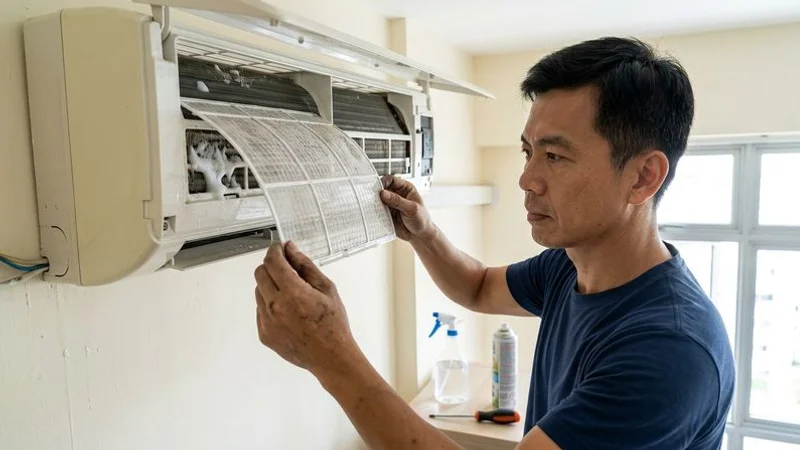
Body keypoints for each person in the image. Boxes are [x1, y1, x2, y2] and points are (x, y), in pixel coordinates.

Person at [253, 36, 735, 449]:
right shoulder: (569, 267)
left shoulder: (669, 352)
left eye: (554, 156)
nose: (527, 179)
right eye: (528, 152)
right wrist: (423, 231)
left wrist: (331, 354)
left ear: (642, 177)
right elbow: (479, 287)